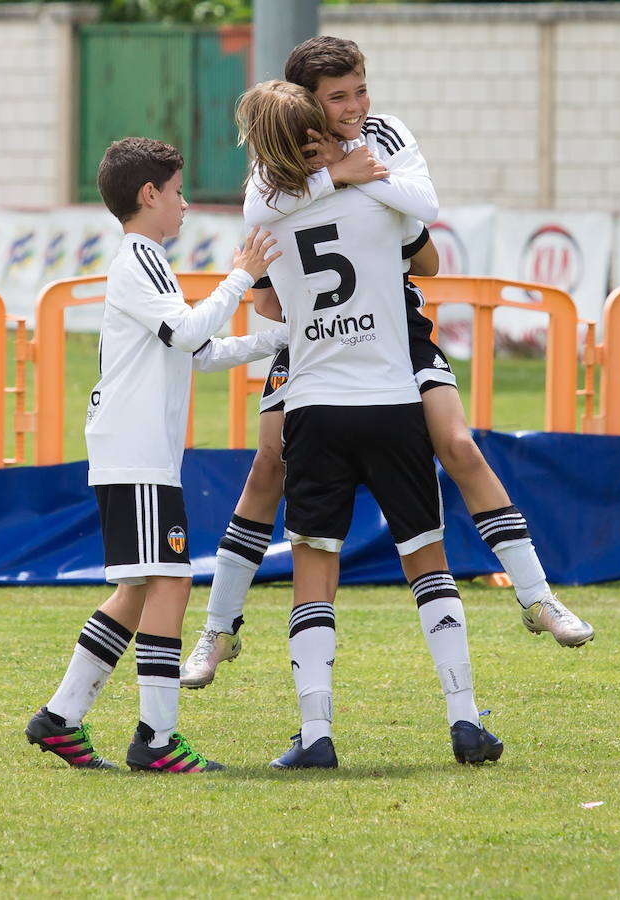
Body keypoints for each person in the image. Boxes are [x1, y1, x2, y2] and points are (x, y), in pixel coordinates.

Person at [180, 37, 593, 690]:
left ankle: (537, 597)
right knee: (267, 464)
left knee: (458, 443)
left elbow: (424, 216)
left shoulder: (387, 133)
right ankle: (217, 631)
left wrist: (364, 186)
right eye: (336, 98)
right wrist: (336, 176)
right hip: (311, 337)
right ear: (300, 106)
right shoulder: (275, 163)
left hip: (390, 324)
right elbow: (264, 243)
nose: (355, 107)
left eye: (359, 91)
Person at [232, 80, 504, 768]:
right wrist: (356, 168)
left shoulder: (267, 215)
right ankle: (465, 720)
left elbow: (266, 299)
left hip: (316, 404)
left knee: (314, 570)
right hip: (390, 398)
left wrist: (320, 177)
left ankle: (317, 734)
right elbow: (428, 255)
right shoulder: (382, 201)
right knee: (427, 562)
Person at [24, 136, 283, 773]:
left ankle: (60, 719)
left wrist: (282, 338)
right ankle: (157, 740)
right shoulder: (136, 260)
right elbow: (194, 330)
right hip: (135, 453)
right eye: (176, 192)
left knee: (140, 591)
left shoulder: (148, 260)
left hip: (139, 453)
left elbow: (199, 351)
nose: (185, 204)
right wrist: (241, 275)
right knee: (170, 581)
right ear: (149, 195)